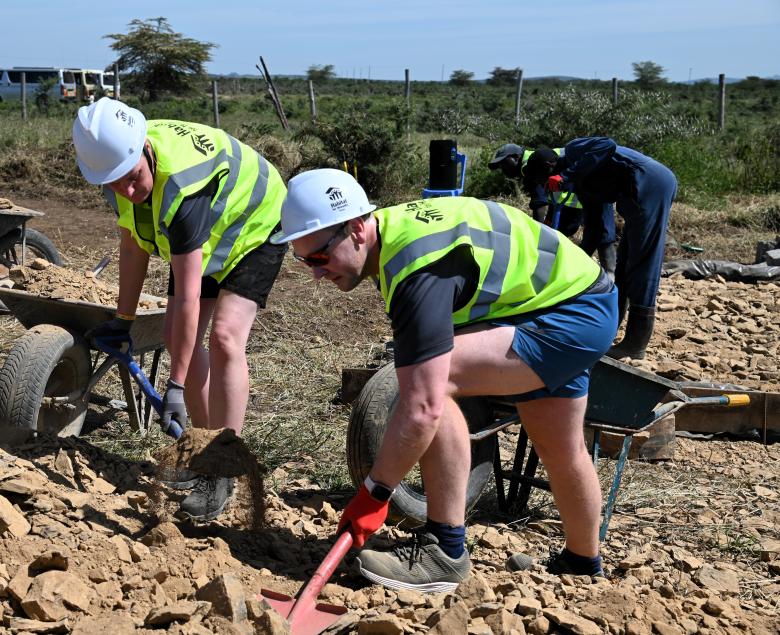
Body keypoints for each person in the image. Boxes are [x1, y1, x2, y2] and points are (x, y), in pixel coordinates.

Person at [271, 169, 618, 592]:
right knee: (559, 445)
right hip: (567, 297)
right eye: (304, 261)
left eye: (320, 258)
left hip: (568, 314)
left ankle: (446, 550)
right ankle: (583, 563)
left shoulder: (416, 269)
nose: (315, 274)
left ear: (357, 229)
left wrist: (374, 493)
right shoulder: (394, 233)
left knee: (433, 383)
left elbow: (421, 408)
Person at [72, 97, 287, 520]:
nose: (127, 191)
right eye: (114, 184)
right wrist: (125, 320)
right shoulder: (117, 177)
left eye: (132, 178)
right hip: (214, 229)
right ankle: (203, 452)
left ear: (144, 151)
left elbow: (188, 295)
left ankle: (225, 467)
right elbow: (133, 244)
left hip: (257, 223)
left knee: (225, 337)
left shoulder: (184, 189)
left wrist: (174, 384)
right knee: (174, 337)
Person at [522, 137, 677, 360]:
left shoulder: (575, 152)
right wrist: (575, 261)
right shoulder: (583, 186)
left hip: (651, 184)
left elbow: (607, 144)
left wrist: (565, 176)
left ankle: (636, 343)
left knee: (643, 262)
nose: (548, 187)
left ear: (550, 168)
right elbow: (595, 230)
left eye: (545, 181)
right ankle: (610, 332)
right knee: (623, 265)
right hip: (633, 196)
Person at [488, 143, 617, 280]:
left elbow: (540, 204)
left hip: (592, 188)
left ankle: (609, 277)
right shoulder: (532, 159)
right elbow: (547, 199)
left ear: (515, 157)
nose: (503, 170)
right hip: (572, 199)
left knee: (602, 234)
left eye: (504, 164)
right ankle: (580, 273)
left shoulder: (531, 164)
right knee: (587, 236)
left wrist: (537, 238)